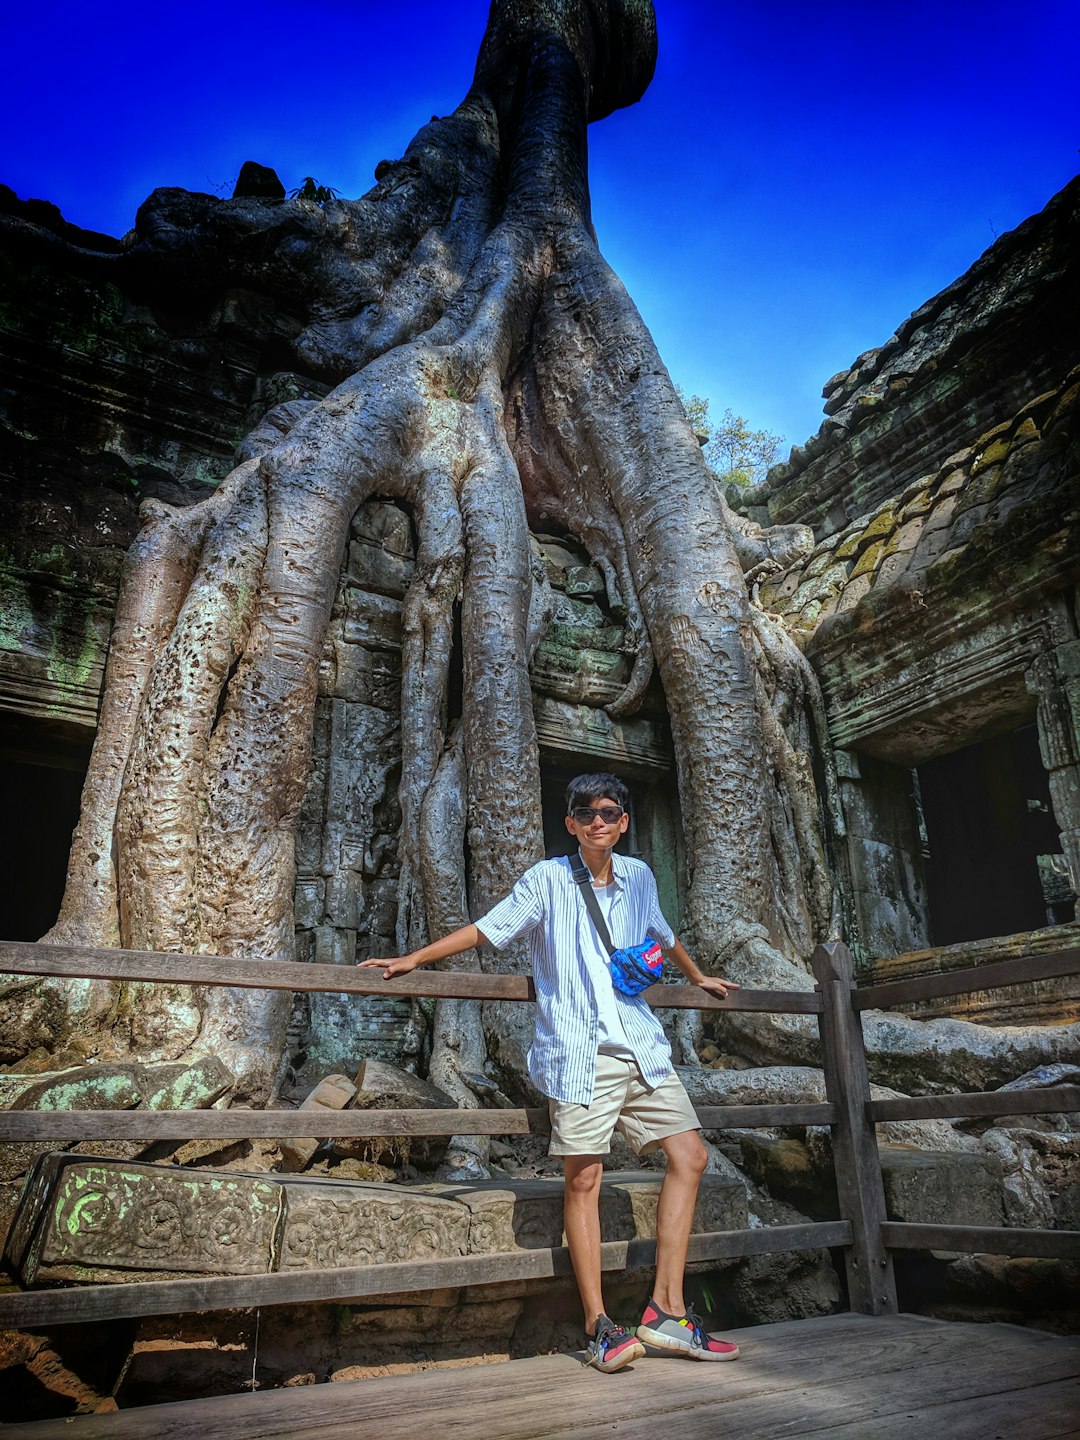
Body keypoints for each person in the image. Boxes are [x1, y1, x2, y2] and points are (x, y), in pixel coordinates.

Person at [359, 771, 741, 1373]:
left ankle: (666, 1312)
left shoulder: (640, 876)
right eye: (585, 813)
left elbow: (662, 935)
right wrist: (414, 958)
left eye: (609, 813)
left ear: (623, 822)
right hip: (578, 1053)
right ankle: (598, 1327)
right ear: (570, 824)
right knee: (583, 1180)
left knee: (690, 1156)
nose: (597, 822)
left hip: (642, 1046)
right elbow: (487, 929)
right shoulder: (546, 880)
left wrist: (696, 978)